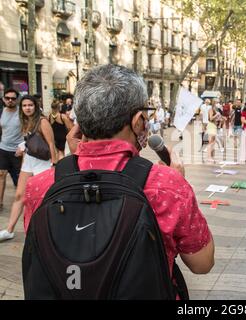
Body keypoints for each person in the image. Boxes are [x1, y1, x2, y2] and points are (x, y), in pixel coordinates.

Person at [22, 65, 214, 294]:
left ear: (81, 122)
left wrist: (76, 166)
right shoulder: (165, 186)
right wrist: (176, 182)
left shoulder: (40, 186)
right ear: (137, 121)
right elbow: (202, 263)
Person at [0, 95, 57, 242]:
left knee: (42, 198)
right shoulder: (26, 121)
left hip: (43, 163)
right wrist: (22, 147)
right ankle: (9, 229)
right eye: (24, 106)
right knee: (19, 195)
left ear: (36, 106)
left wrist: (54, 165)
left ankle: (46, 229)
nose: (27, 108)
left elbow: (51, 144)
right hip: (29, 162)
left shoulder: (42, 121)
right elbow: (29, 141)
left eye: (30, 105)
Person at [0, 88, 24, 211]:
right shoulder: (1, 112)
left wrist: (23, 146)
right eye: (7, 98)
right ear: (4, 99)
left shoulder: (22, 112)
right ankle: (0, 203)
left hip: (18, 152)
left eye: (13, 98)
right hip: (3, 150)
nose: (10, 100)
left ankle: (20, 202)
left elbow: (30, 129)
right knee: (1, 175)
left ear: (17, 99)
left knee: (19, 180)